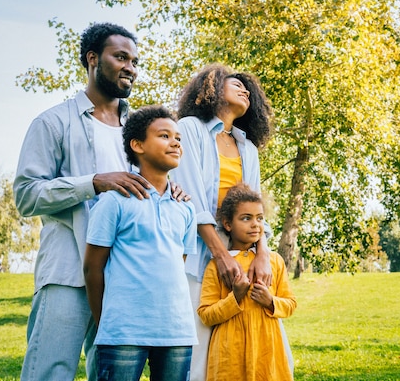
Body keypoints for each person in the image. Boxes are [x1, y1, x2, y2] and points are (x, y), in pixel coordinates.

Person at [13, 22, 187, 381]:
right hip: (67, 270)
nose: (130, 67)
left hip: (123, 278)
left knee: (104, 372)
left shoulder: (140, 128)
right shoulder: (52, 122)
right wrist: (93, 182)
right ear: (93, 59)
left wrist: (173, 191)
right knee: (50, 371)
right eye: (120, 57)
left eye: (134, 61)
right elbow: (27, 195)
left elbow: (153, 180)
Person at [171, 63, 290, 380]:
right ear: (210, 88)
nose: (245, 90)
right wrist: (220, 255)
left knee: (253, 340)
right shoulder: (190, 129)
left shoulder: (248, 148)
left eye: (247, 89)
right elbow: (192, 198)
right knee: (199, 344)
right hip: (198, 253)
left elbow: (256, 206)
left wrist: (262, 253)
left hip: (243, 253)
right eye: (234, 83)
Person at [84, 105, 197, 381]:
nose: (175, 143)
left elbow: (176, 265)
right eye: (164, 136)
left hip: (177, 332)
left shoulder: (186, 208)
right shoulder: (114, 202)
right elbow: (92, 268)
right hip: (123, 332)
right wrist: (106, 325)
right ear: (138, 145)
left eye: (178, 139)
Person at [197, 183, 296, 381]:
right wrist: (235, 297)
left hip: (267, 349)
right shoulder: (217, 265)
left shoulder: (273, 261)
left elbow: (290, 303)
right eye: (246, 218)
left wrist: (270, 301)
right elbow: (206, 314)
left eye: (260, 218)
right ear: (227, 224)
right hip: (229, 353)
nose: (255, 224)